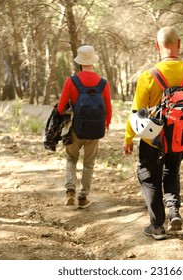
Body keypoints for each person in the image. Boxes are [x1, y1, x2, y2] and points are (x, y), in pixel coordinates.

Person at [123, 27, 183, 240]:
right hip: (180, 138)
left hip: (154, 139)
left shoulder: (148, 76)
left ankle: (157, 226)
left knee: (148, 176)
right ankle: (174, 212)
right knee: (171, 172)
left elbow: (137, 113)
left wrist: (128, 138)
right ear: (179, 44)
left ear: (157, 45)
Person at [57, 45, 112, 209]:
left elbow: (60, 108)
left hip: (75, 128)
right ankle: (83, 197)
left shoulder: (71, 81)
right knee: (89, 164)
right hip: (95, 129)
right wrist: (106, 123)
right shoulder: (103, 83)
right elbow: (108, 108)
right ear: (93, 61)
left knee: (71, 159)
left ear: (80, 62)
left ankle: (70, 192)